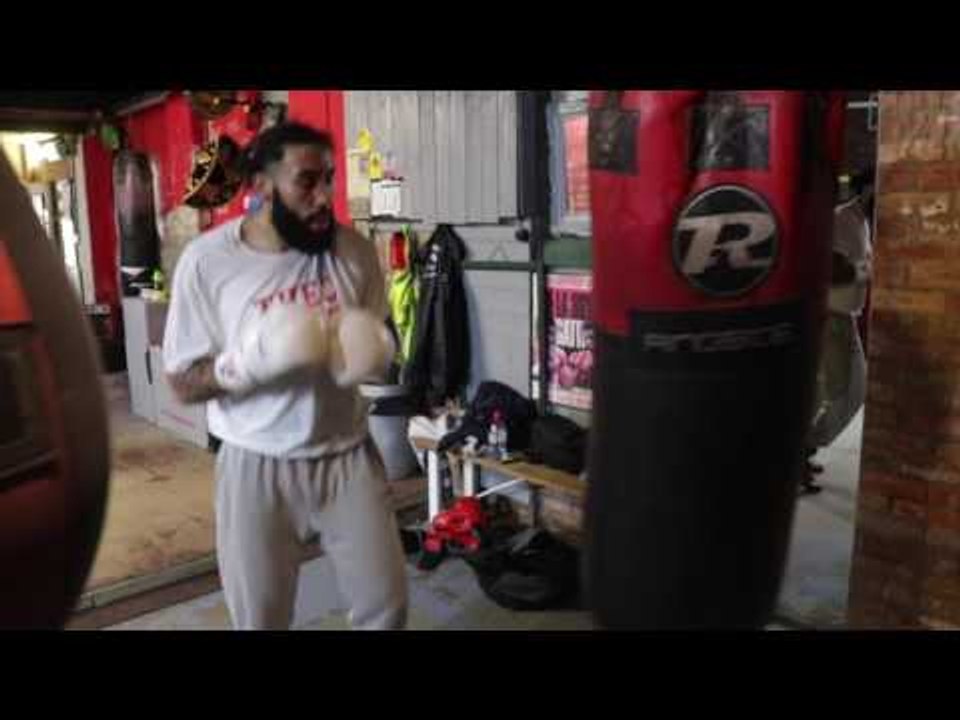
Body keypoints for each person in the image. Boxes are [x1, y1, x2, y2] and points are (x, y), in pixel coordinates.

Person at [162, 122, 408, 630]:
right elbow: (182, 382)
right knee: (261, 618)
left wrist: (376, 349)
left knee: (387, 609)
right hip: (255, 463)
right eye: (307, 181)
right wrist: (248, 362)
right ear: (263, 185)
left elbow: (382, 335)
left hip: (347, 455)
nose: (324, 197)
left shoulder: (354, 252)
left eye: (329, 179)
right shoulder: (207, 263)